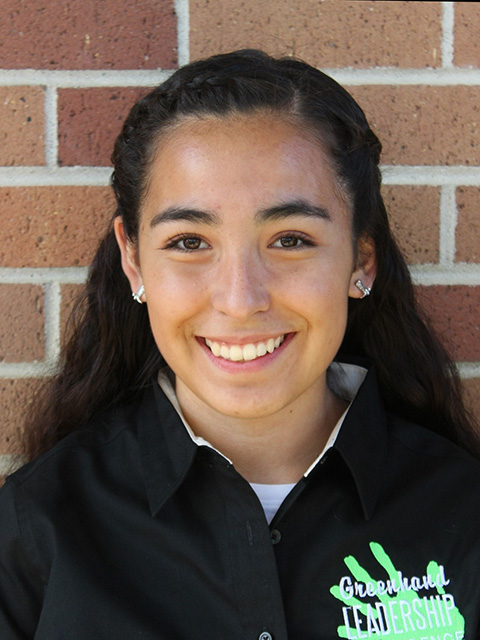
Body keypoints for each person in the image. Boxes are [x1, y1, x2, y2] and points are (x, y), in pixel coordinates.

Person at [1, 49, 479, 640]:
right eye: (188, 242)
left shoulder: (465, 512)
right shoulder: (37, 525)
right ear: (132, 258)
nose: (239, 298)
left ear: (361, 259)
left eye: (291, 239)